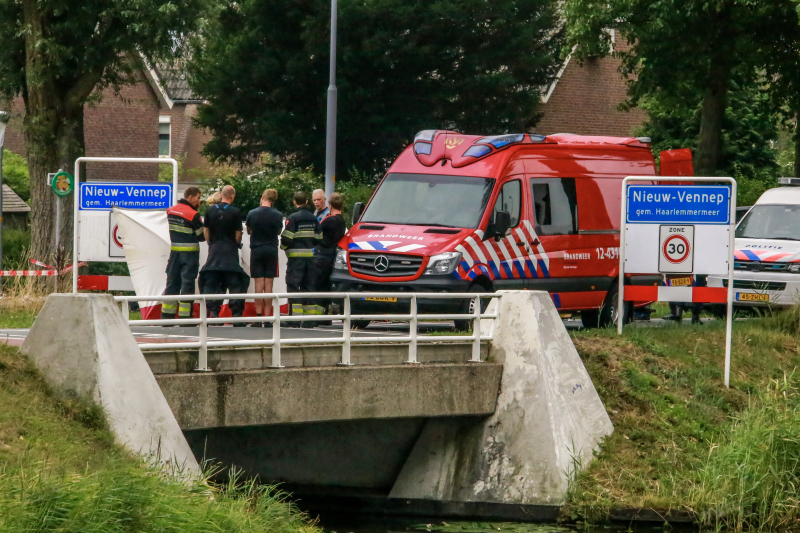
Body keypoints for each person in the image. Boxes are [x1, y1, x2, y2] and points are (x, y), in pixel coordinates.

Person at [200, 185, 250, 324]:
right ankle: (236, 314)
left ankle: (214, 313)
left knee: (213, 282)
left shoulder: (210, 210)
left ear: (221, 195)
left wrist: (212, 243)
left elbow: (206, 232)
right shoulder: (235, 212)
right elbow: (238, 234)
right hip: (230, 254)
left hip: (214, 254)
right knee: (236, 283)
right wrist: (234, 244)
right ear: (232, 196)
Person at [161, 187, 204, 320]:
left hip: (174, 254)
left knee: (172, 283)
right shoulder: (193, 215)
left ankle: (167, 316)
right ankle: (185, 318)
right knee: (187, 284)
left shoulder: (171, 211)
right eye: (198, 198)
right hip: (189, 256)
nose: (199, 201)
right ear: (190, 197)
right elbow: (201, 236)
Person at [281, 191, 321, 325]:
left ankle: (294, 319)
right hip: (310, 258)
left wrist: (283, 247)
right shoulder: (313, 218)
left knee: (293, 286)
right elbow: (319, 238)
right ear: (307, 202)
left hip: (295, 260)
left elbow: (286, 238)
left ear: (294, 202)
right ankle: (309, 320)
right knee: (308, 287)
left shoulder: (293, 218)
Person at [246, 188, 283, 327]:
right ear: (273, 200)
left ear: (263, 197)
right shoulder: (278, 215)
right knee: (269, 285)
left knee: (258, 284)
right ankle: (267, 318)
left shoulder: (252, 213)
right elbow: (279, 230)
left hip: (256, 249)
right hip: (271, 250)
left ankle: (258, 316)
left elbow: (249, 230)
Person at [311, 192, 347, 325]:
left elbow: (316, 236)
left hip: (322, 255)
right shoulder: (342, 221)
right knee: (326, 286)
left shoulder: (328, 220)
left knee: (316, 285)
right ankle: (326, 317)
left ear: (330, 205)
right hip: (333, 255)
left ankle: (315, 317)